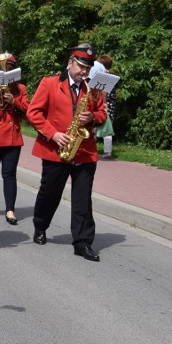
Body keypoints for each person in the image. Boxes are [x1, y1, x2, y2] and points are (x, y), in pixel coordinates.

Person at [27, 43, 107, 261]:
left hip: (84, 152)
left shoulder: (93, 87)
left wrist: (93, 117)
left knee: (83, 199)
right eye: (81, 67)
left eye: (87, 68)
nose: (84, 72)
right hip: (56, 150)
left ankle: (82, 242)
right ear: (70, 63)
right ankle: (40, 225)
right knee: (49, 193)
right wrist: (53, 134)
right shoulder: (50, 83)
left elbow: (102, 114)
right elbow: (33, 112)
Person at [0, 53, 30, 225]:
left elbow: (27, 112)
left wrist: (14, 101)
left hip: (13, 138)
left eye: (10, 69)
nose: (6, 71)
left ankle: (10, 209)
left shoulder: (21, 89)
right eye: (3, 67)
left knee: (10, 174)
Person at [91, 54, 117, 160]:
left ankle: (92, 149)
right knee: (107, 129)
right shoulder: (111, 75)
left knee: (94, 126)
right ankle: (108, 151)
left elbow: (104, 91)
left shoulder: (102, 74)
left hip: (104, 104)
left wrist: (104, 104)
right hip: (112, 104)